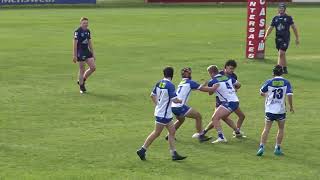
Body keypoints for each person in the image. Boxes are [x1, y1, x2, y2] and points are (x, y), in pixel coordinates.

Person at [136, 67, 187, 161]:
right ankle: (142, 149)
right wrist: (180, 100)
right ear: (172, 75)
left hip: (163, 113)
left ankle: (174, 153)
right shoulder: (170, 85)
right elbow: (175, 99)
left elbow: (152, 95)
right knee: (156, 133)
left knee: (172, 131)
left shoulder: (159, 83)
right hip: (163, 114)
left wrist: (158, 104)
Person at [167, 67, 219, 142]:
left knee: (181, 120)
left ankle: (169, 135)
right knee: (198, 116)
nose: (190, 74)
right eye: (189, 73)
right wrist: (215, 87)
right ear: (186, 74)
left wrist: (204, 84)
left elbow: (194, 88)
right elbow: (206, 90)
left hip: (173, 106)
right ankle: (201, 136)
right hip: (179, 106)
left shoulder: (182, 82)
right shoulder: (190, 82)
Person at [201, 60, 246, 138]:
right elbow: (214, 82)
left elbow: (235, 86)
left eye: (233, 69)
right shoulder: (219, 73)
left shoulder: (233, 76)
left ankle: (237, 132)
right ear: (225, 68)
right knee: (218, 117)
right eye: (230, 68)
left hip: (229, 99)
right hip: (220, 100)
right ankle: (204, 132)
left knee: (241, 116)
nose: (232, 70)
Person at [256, 65, 294, 156]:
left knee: (266, 129)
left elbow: (261, 92)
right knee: (281, 129)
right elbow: (289, 95)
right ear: (282, 72)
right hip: (281, 110)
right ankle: (277, 148)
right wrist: (291, 106)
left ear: (273, 73)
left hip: (269, 110)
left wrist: (267, 95)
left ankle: (261, 147)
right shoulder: (286, 82)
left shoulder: (269, 82)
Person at [264, 3, 299, 74]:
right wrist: (266, 35)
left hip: (285, 38)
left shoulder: (288, 18)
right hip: (278, 38)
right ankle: (285, 68)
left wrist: (297, 38)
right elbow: (270, 28)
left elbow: (294, 28)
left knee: (281, 53)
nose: (280, 9)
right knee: (282, 54)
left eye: (282, 8)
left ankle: (278, 69)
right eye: (279, 8)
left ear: (284, 9)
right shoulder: (275, 18)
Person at [73, 17, 96, 93]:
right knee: (82, 69)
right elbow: (75, 44)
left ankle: (83, 79)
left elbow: (89, 42)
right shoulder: (77, 32)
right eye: (84, 23)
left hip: (87, 51)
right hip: (80, 52)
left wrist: (93, 53)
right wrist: (75, 55)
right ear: (81, 23)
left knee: (93, 68)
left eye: (86, 23)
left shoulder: (88, 31)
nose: (86, 24)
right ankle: (81, 87)